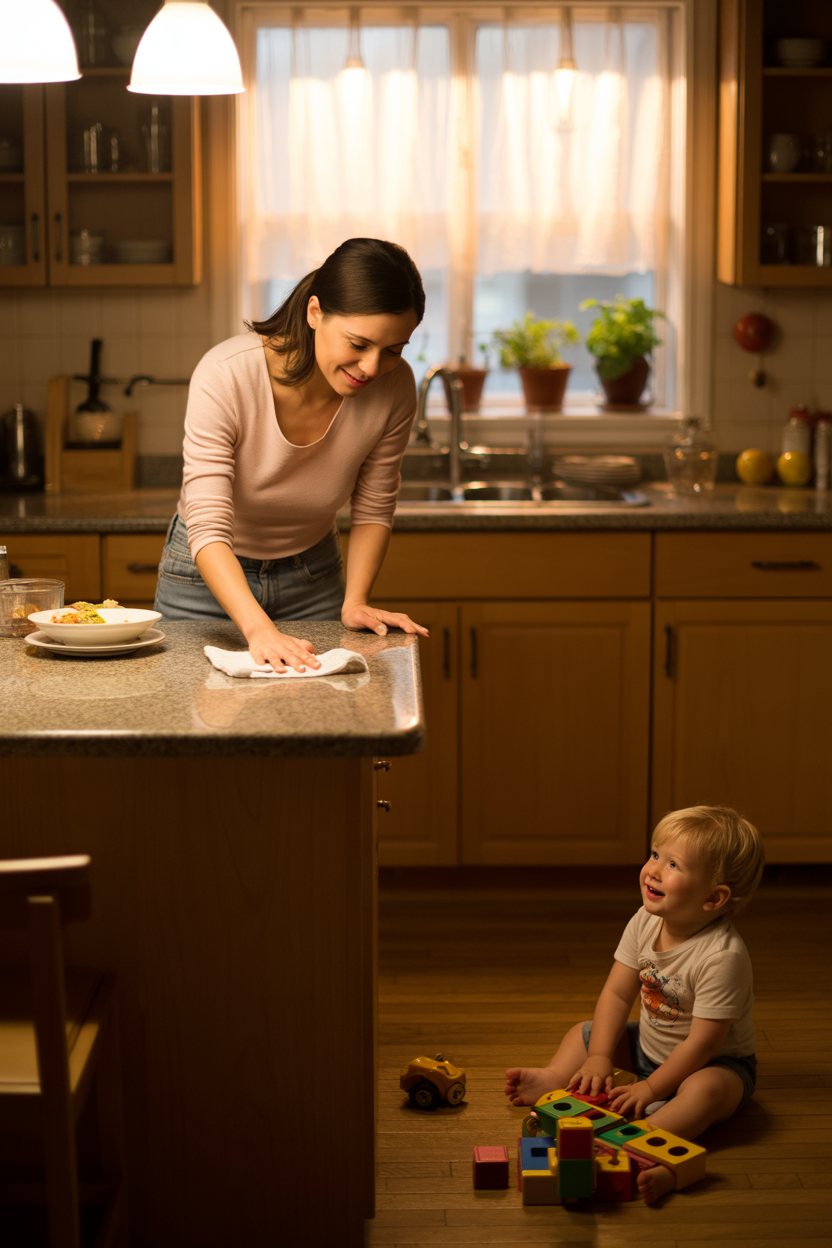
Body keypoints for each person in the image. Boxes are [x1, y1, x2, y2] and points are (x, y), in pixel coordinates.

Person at [155, 237, 428, 672]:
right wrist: (257, 628)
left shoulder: (394, 390)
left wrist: (355, 601)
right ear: (315, 312)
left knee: (315, 719)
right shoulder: (225, 374)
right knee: (203, 723)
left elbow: (375, 505)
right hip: (204, 582)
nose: (373, 368)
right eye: (358, 344)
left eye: (393, 351)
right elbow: (206, 522)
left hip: (314, 577)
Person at [504, 805, 764, 1203]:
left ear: (714, 897)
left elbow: (702, 1045)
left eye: (673, 864)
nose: (653, 870)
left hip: (714, 1064)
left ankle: (646, 1139)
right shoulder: (644, 920)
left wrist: (651, 1087)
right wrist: (599, 1058)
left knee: (707, 1090)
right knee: (585, 1034)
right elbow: (617, 994)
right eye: (655, 854)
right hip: (649, 1046)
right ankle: (557, 1076)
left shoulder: (722, 957)